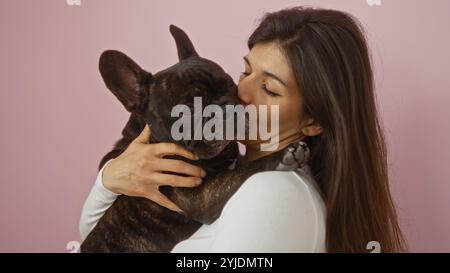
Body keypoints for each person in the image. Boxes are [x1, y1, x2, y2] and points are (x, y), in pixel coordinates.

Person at [79, 6, 405, 252]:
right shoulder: (233, 169)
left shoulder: (271, 193)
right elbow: (95, 238)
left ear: (314, 120)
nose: (242, 95)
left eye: (270, 89)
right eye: (244, 72)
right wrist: (110, 179)